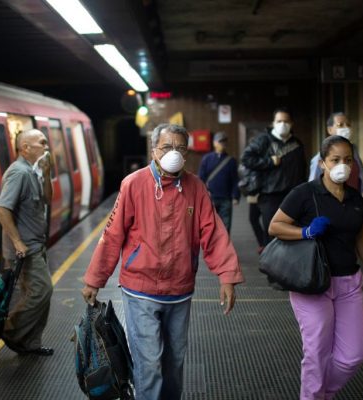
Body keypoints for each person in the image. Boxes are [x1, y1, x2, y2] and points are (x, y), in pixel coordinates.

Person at [81, 123, 244, 400]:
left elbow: (214, 232)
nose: (174, 153)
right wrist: (95, 279)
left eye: (181, 148)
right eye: (167, 147)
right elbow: (112, 234)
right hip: (139, 288)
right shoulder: (133, 184)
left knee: (173, 363)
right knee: (149, 364)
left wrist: (227, 275)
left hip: (179, 291)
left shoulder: (196, 188)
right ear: (154, 150)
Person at [268, 135, 363, 400]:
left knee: (355, 354)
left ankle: (323, 393)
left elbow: (361, 239)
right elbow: (275, 226)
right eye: (335, 160)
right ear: (323, 163)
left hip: (349, 283)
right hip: (311, 282)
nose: (342, 166)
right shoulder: (304, 193)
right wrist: (306, 231)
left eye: (348, 160)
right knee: (317, 352)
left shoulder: (356, 199)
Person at [0, 129, 54, 356]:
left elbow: (48, 199)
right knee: (41, 291)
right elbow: (2, 208)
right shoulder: (18, 173)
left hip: (36, 245)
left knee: (38, 294)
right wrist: (17, 242)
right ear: (25, 148)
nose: (46, 146)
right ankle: (10, 330)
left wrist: (47, 174)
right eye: (41, 143)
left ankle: (30, 344)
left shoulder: (34, 171)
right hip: (25, 249)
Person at [241, 107, 306, 246]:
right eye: (279, 121)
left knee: (292, 232)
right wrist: (269, 162)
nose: (283, 124)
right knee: (272, 233)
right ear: (273, 123)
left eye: (286, 121)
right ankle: (271, 263)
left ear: (292, 123)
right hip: (270, 195)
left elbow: (302, 169)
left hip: (293, 195)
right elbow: (246, 158)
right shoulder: (263, 140)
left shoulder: (297, 143)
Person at [308, 112, 363, 199]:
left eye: (348, 124)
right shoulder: (321, 158)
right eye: (340, 125)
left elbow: (359, 178)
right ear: (330, 130)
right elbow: (312, 188)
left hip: (354, 205)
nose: (345, 128)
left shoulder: (354, 151)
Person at [198, 132, 240, 233]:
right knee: (210, 223)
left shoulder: (231, 161)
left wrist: (235, 196)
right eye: (220, 141)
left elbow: (235, 180)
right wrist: (202, 194)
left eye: (224, 141)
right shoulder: (207, 159)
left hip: (226, 198)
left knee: (226, 224)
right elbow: (201, 178)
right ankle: (212, 245)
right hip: (210, 197)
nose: (222, 144)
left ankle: (224, 247)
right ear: (214, 143)